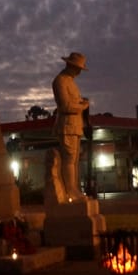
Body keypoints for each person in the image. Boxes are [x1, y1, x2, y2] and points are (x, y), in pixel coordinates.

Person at [52, 52, 89, 201]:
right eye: (77, 68)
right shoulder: (60, 81)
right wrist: (82, 106)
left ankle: (74, 189)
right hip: (67, 126)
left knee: (74, 160)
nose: (79, 71)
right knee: (68, 159)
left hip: (75, 126)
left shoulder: (71, 82)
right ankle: (71, 191)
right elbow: (65, 105)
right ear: (70, 65)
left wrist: (81, 103)